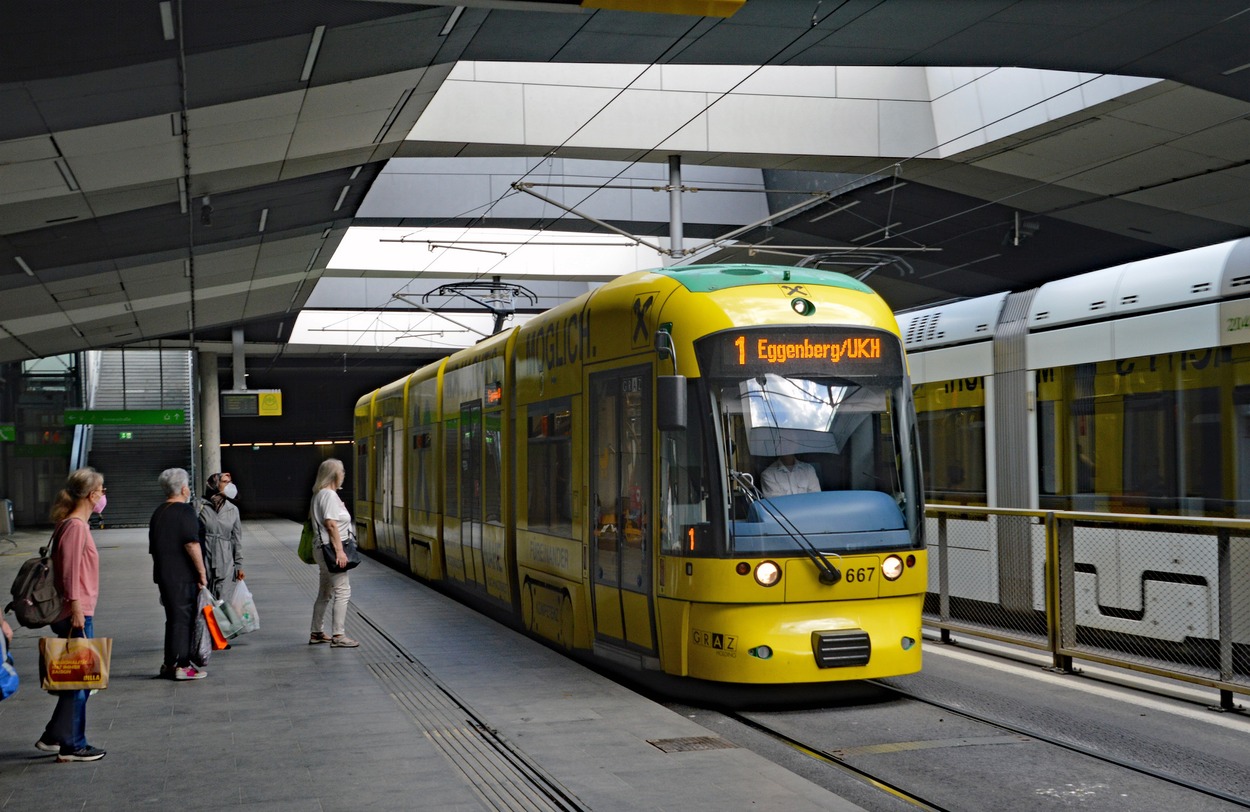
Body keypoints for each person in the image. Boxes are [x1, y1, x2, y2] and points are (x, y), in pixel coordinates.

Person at [36, 467, 107, 762]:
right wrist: (77, 606)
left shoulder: (71, 524)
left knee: (75, 678)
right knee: (81, 680)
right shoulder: (76, 527)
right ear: (91, 495)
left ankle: (54, 736)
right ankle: (73, 745)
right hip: (76, 611)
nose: (104, 496)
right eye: (102, 491)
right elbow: (69, 572)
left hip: (75, 609)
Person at [149, 468, 208, 680]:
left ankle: (169, 663)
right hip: (183, 576)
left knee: (173, 619)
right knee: (184, 620)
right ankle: (182, 666)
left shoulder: (159, 512)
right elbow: (192, 544)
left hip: (165, 575)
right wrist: (202, 573)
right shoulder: (185, 512)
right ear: (184, 489)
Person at [309, 458, 359, 648]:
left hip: (321, 549)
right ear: (334, 474)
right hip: (330, 550)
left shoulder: (319, 494)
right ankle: (339, 635)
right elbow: (331, 524)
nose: (344, 475)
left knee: (325, 593)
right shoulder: (328, 495)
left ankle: (316, 632)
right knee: (343, 591)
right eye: (342, 471)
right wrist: (340, 551)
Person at [198, 472, 244, 600]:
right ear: (215, 484)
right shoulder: (199, 507)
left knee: (223, 603)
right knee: (205, 604)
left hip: (225, 562)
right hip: (204, 561)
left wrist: (239, 565)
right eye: (225, 482)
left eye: (230, 482)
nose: (230, 485)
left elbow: (236, 539)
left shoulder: (232, 510)